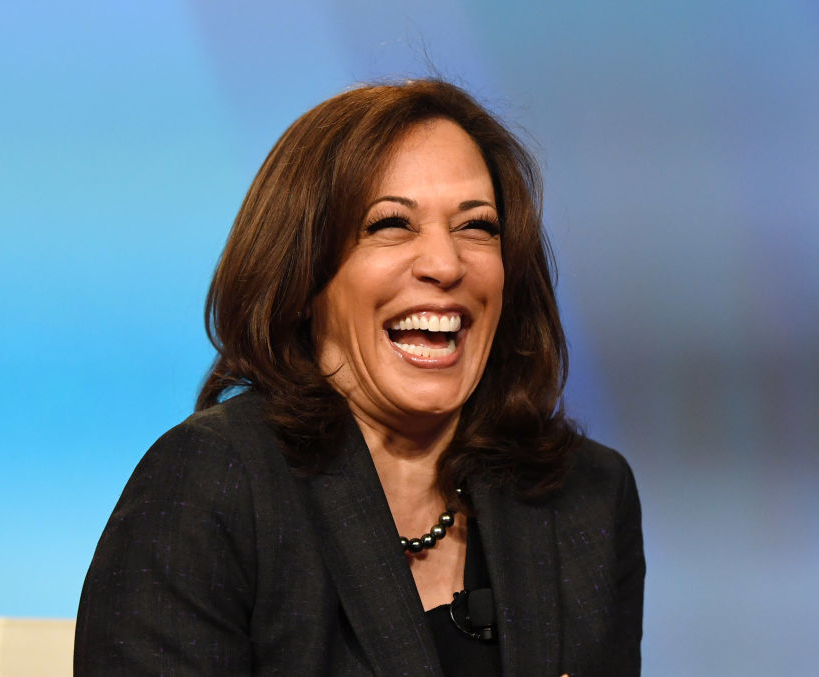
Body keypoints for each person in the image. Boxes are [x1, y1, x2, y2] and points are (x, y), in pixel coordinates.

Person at [75, 79, 644, 676]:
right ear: (302, 275)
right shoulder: (213, 486)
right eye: (391, 224)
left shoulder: (586, 496)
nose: (446, 264)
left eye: (477, 227)